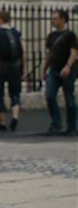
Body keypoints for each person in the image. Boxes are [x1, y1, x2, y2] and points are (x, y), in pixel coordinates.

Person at [41, 8, 77, 137]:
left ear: (63, 20)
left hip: (67, 70)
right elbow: (49, 54)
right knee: (50, 95)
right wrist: (44, 69)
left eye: (55, 18)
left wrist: (68, 66)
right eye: (52, 18)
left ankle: (72, 126)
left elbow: (74, 53)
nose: (52, 21)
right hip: (54, 70)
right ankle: (56, 123)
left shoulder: (70, 35)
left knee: (69, 99)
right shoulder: (51, 36)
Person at [0, 10, 23, 132]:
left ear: (0, 19)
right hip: (15, 65)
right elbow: (23, 50)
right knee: (15, 93)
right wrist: (22, 67)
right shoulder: (16, 32)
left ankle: (2, 122)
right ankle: (15, 117)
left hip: (2, 65)